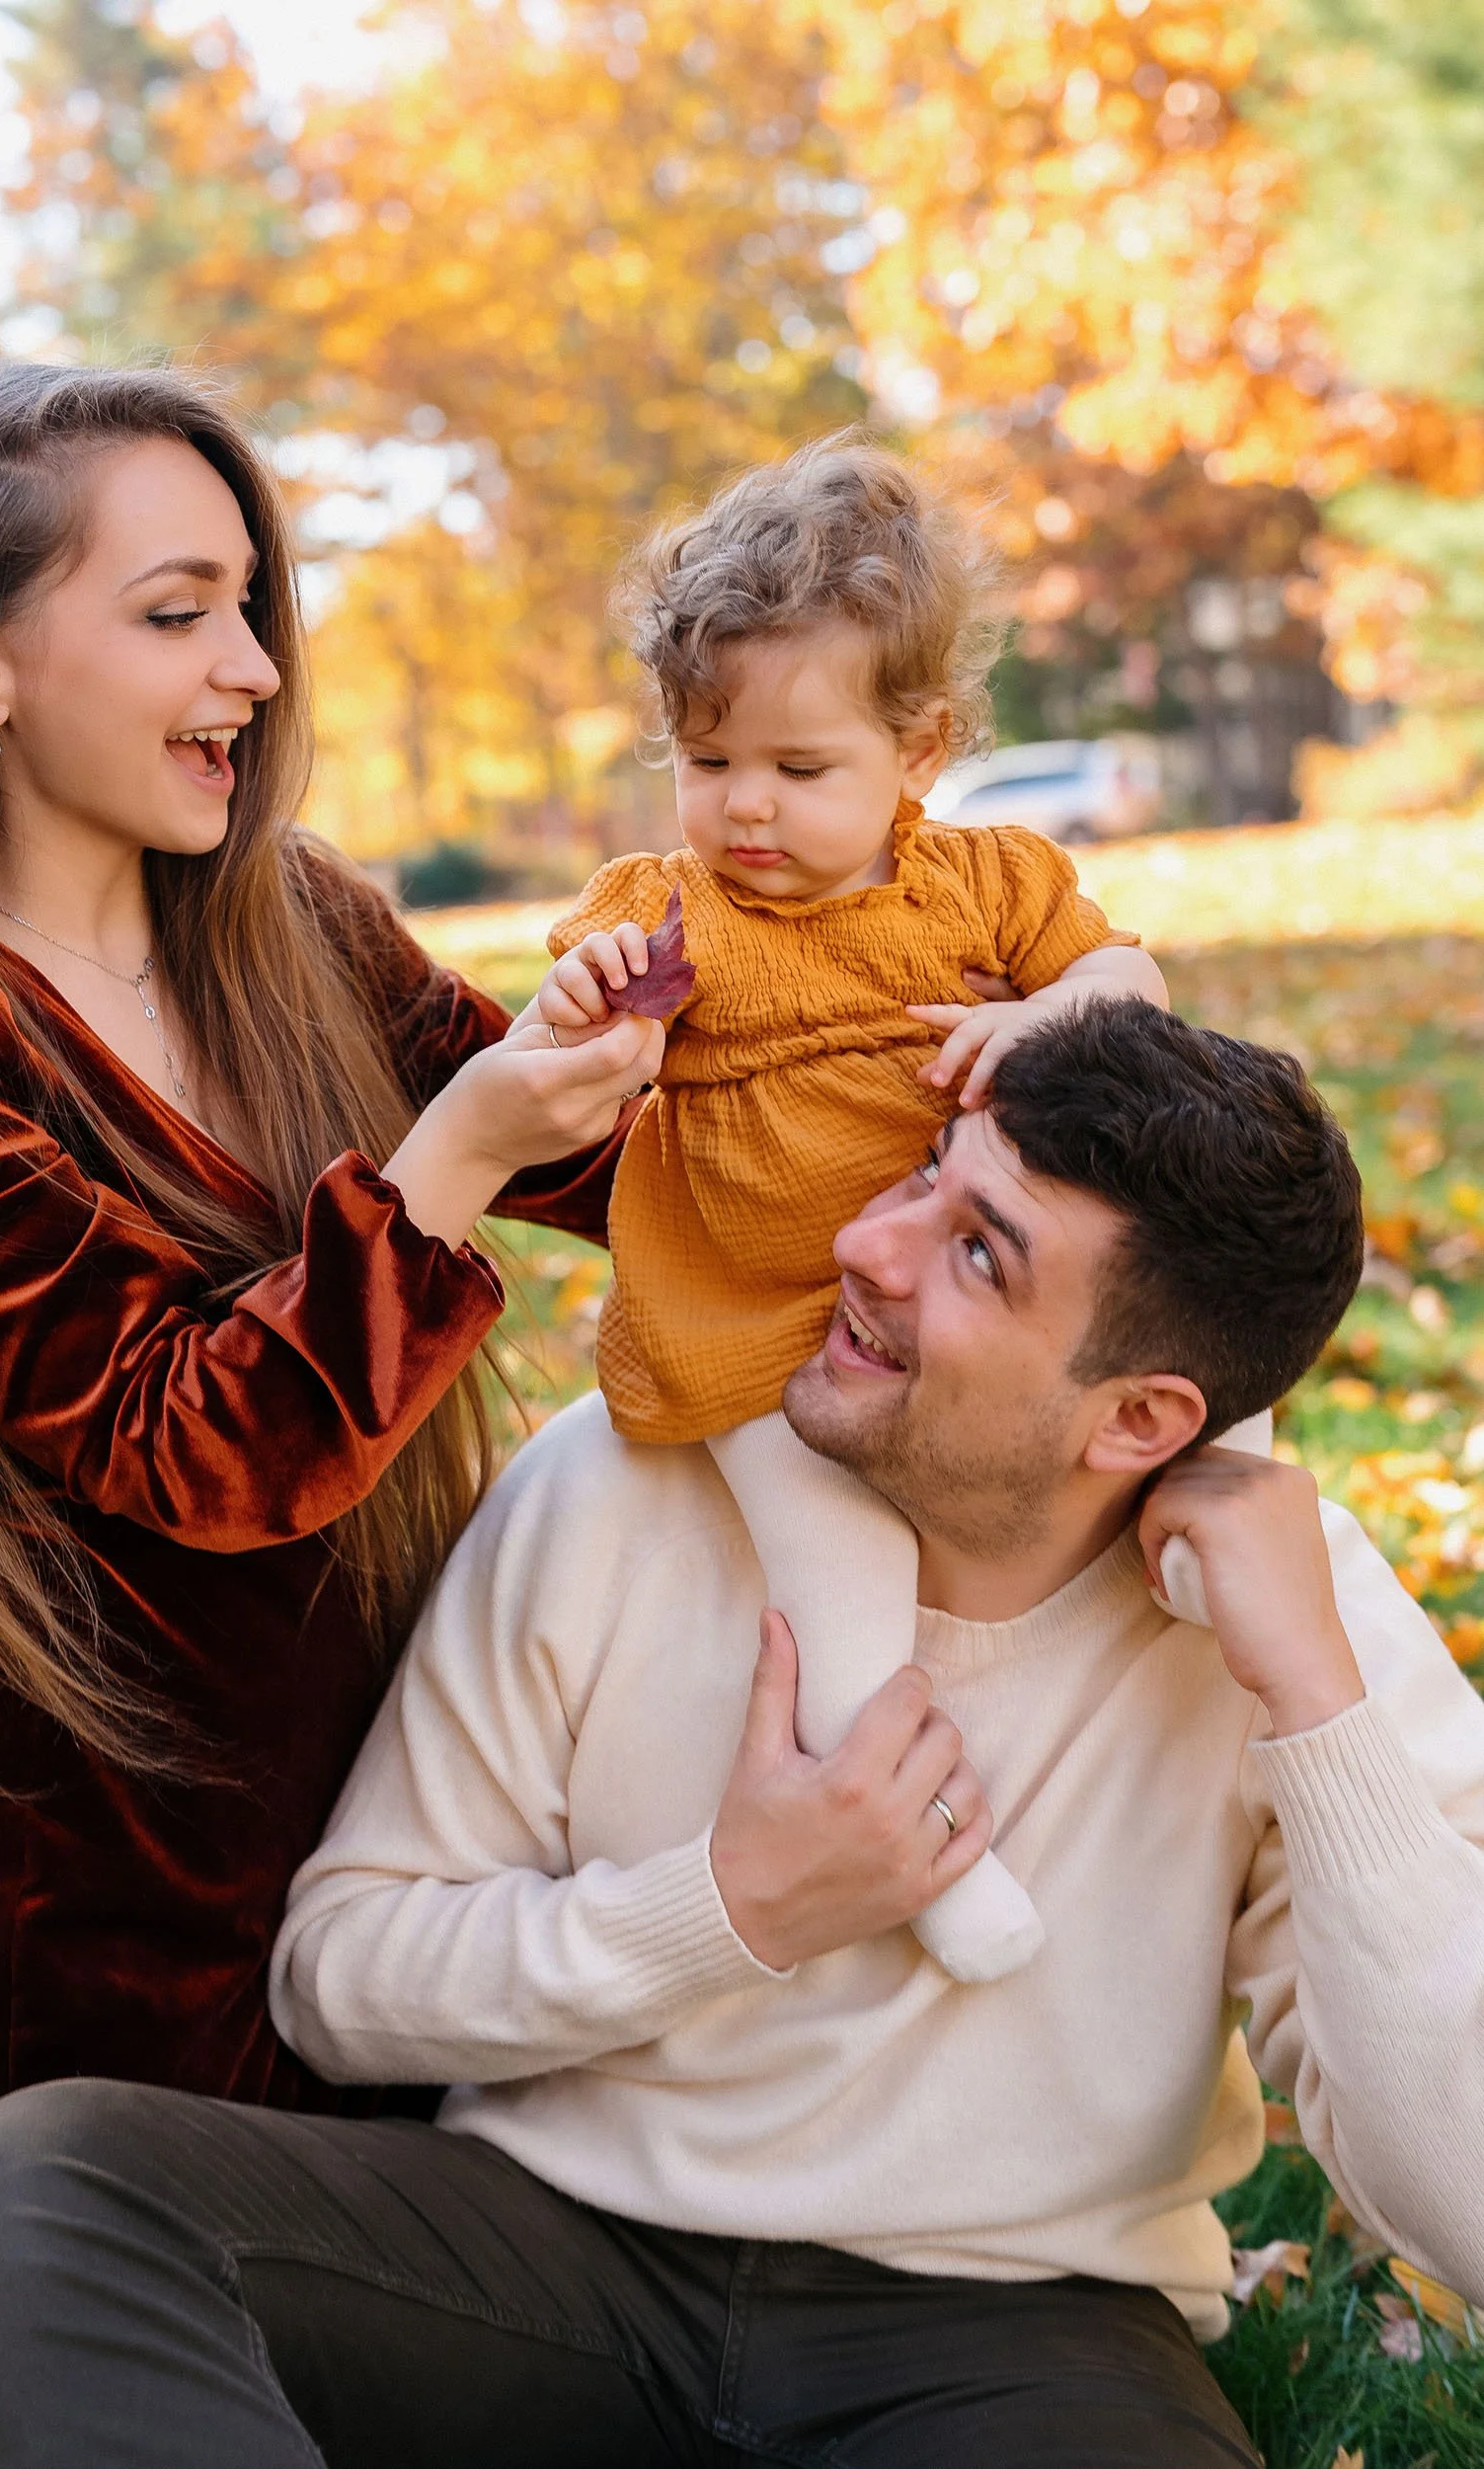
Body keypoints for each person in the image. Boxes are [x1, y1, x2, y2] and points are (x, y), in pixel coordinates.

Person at [0, 1000, 1484, 2467]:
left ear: (1137, 1420)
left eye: (978, 1256)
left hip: (1013, 2330)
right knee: (35, 2186)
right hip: (545, 2263)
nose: (867, 1245)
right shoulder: (629, 1469)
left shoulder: (1288, 1616)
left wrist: (1316, 1708)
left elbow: (1463, 2206)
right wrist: (730, 1910)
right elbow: (341, 1978)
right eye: (926, 1174)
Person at [0, 358, 660, 2468]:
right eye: (179, 608)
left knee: (398, 2327)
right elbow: (186, 1445)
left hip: (388, 1766)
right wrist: (448, 1160)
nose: (254, 664)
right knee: (109, 2352)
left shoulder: (287, 921)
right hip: (91, 1847)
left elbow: (650, 1166)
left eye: (250, 602)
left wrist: (981, 1010)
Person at [530, 434, 1169, 1980]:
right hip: (762, 1329)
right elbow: (552, 1041)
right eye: (704, 759)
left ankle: (1222, 1561)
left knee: (1170, 1370)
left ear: (920, 748)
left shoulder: (985, 884)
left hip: (966, 1304)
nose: (743, 807)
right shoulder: (658, 911)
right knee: (839, 1583)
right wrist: (581, 1003)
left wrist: (1053, 1015)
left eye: (798, 769)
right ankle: (923, 1845)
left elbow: (1127, 975)